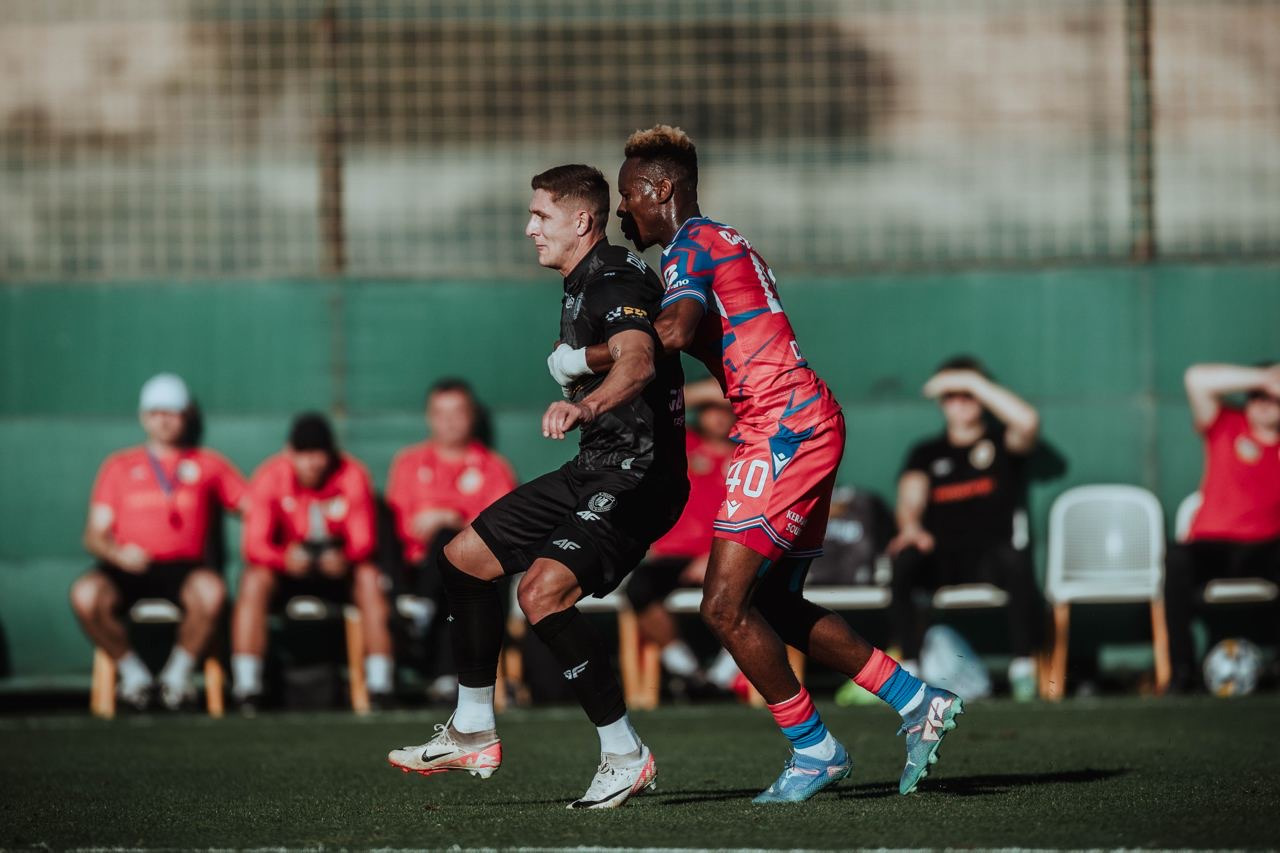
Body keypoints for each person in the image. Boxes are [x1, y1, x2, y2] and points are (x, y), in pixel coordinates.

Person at [552, 125, 962, 803]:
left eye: (629, 195)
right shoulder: (716, 241)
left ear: (661, 188)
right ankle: (917, 700)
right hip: (795, 421)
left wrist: (585, 359)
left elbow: (674, 331)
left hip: (783, 428)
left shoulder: (692, 245)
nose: (623, 210)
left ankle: (814, 748)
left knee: (722, 605)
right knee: (772, 603)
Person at [386, 164, 688, 809]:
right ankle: (472, 728)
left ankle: (625, 753)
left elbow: (638, 360)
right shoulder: (582, 280)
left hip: (640, 475)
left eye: (540, 215)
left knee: (541, 592)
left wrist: (586, 403)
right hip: (596, 465)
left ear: (581, 220)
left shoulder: (611, 279)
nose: (530, 229)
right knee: (463, 560)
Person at [70, 373, 246, 711]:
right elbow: (94, 535)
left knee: (212, 593)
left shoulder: (208, 464)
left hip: (185, 569)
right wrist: (117, 554)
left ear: (186, 416)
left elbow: (252, 506)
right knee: (85, 595)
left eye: (171, 412)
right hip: (127, 567)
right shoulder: (119, 466)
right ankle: (134, 676)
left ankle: (175, 678)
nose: (163, 420)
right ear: (143, 417)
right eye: (155, 412)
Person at [887, 356, 1042, 700]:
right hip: (941, 556)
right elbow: (910, 497)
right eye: (951, 395)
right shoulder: (926, 452)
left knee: (1017, 560)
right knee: (904, 560)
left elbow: (1029, 421)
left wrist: (970, 381)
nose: (960, 402)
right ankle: (910, 669)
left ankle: (1023, 668)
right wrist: (911, 528)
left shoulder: (1003, 442)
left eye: (967, 394)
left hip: (989, 556)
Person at [231, 413, 393, 711]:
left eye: (318, 454)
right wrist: (284, 559)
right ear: (289, 453)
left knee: (369, 577)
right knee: (253, 580)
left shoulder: (352, 474)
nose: (312, 463)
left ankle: (380, 684)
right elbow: (254, 546)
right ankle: (247, 686)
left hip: (337, 572)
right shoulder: (270, 476)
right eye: (304, 454)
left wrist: (345, 558)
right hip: (288, 573)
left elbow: (364, 540)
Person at [386, 379, 516, 696]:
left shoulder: (494, 468)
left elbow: (502, 529)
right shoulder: (409, 462)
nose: (449, 422)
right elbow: (400, 525)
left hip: (471, 569)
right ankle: (417, 618)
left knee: (453, 550)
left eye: (457, 412)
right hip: (415, 569)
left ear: (471, 416)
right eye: (441, 413)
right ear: (429, 417)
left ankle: (424, 620)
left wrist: (450, 518)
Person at [1165, 362, 1280, 692]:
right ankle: (1182, 673)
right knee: (1177, 560)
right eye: (1257, 395)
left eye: (1273, 397)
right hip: (1214, 545)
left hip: (1268, 546)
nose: (1265, 402)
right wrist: (1267, 378)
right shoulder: (1227, 424)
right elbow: (1195, 379)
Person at [624, 380, 740, 695]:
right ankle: (689, 673)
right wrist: (712, 389)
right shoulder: (682, 444)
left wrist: (713, 555)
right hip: (674, 557)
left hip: (725, 554)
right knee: (639, 589)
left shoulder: (748, 454)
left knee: (756, 595)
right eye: (711, 409)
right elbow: (653, 408)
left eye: (726, 408)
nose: (719, 416)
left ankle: (722, 679)